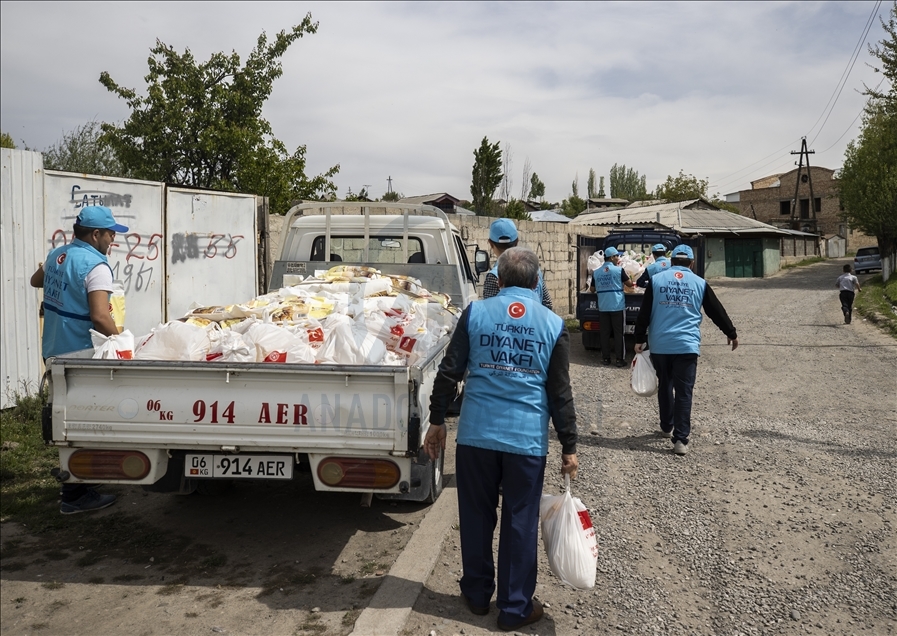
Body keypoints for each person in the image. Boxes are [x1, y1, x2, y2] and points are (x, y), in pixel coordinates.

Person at [425, 246, 578, 632]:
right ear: (536, 281)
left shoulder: (476, 313)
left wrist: (437, 419)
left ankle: (477, 595)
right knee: (520, 521)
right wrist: (569, 445)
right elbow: (560, 392)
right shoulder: (552, 324)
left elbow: (449, 371)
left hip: (476, 435)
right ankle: (514, 607)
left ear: (501, 280)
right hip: (525, 441)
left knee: (476, 516)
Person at [30, 205, 127, 514]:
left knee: (67, 415)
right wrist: (121, 341)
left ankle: (81, 480)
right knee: (84, 419)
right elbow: (100, 316)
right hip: (81, 353)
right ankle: (74, 495)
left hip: (53, 348)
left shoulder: (57, 255)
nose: (113, 239)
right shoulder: (97, 266)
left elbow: (35, 281)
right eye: (110, 234)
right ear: (96, 234)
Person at [633, 244, 738, 456]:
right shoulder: (699, 283)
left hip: (660, 345)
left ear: (671, 262)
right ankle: (680, 440)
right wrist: (731, 332)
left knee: (665, 385)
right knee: (684, 392)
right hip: (686, 346)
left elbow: (644, 312)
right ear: (691, 263)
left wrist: (639, 338)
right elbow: (715, 310)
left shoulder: (656, 280)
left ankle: (666, 427)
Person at [482, 218, 553, 309]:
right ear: (516, 242)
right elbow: (547, 303)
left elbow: (489, 310)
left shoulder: (494, 275)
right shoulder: (534, 269)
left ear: (491, 244)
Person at [592, 246, 634, 367]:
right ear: (611, 257)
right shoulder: (619, 270)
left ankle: (606, 359)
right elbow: (629, 284)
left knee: (604, 334)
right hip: (617, 306)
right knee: (618, 334)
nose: (618, 259)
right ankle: (619, 360)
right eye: (617, 256)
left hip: (603, 307)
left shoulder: (596, 272)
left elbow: (592, 289)